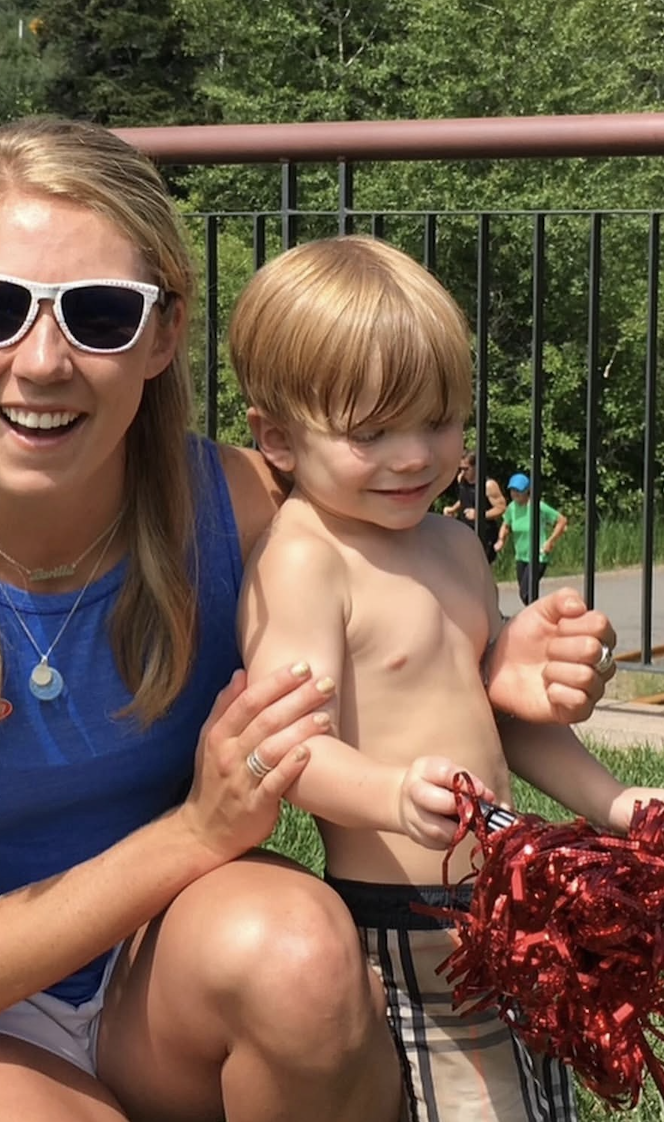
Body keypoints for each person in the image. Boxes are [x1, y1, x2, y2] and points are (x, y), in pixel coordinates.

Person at [0, 120, 618, 1122]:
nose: (42, 361)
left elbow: (415, 609)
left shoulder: (243, 514)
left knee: (294, 956)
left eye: (99, 314)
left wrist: (504, 658)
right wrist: (199, 830)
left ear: (162, 334)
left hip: (161, 975)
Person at [230, 235, 657, 1122]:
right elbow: (286, 749)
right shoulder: (305, 561)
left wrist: (613, 804)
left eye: (438, 420)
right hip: (406, 917)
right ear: (276, 438)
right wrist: (391, 792)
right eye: (371, 432)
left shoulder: (456, 547)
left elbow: (504, 716)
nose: (415, 456)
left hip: (509, 897)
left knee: (539, 1103)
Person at [496, 472, 568, 605]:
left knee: (526, 592)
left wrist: (550, 541)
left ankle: (543, 614)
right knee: (526, 595)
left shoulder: (538, 506)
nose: (515, 494)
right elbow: (506, 525)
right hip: (521, 556)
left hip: (538, 556)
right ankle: (540, 617)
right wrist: (501, 540)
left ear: (527, 490)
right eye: (512, 490)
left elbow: (561, 520)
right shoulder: (512, 508)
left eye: (518, 491)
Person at [442, 447, 506, 563]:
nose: (462, 472)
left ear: (476, 467)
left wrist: (479, 514)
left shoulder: (488, 485)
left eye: (466, 469)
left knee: (479, 568)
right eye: (460, 468)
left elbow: (501, 508)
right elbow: (464, 499)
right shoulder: (461, 479)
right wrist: (453, 509)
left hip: (484, 534)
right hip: (465, 531)